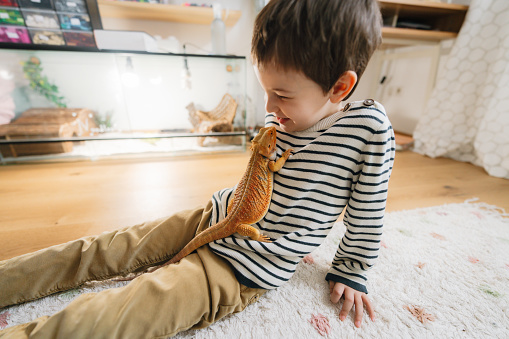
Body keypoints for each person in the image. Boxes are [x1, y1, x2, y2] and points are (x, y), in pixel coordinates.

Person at [0, 0, 395, 337]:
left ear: (340, 88)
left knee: (121, 313)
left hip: (248, 266)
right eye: (265, 90)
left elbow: (368, 211)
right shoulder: (283, 116)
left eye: (281, 94)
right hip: (215, 215)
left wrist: (352, 269)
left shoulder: (369, 131)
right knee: (106, 247)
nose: (267, 107)